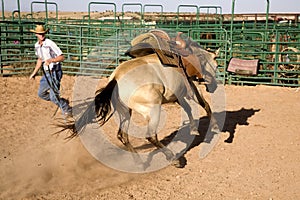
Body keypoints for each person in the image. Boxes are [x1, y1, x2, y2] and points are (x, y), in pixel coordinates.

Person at [29, 25, 72, 117]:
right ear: (36, 34)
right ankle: (61, 101)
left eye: (43, 33)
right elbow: (40, 60)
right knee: (41, 94)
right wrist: (34, 73)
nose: (42, 35)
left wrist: (51, 60)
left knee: (53, 97)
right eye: (40, 34)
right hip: (46, 73)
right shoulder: (36, 46)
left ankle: (66, 108)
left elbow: (62, 57)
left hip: (55, 72)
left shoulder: (50, 43)